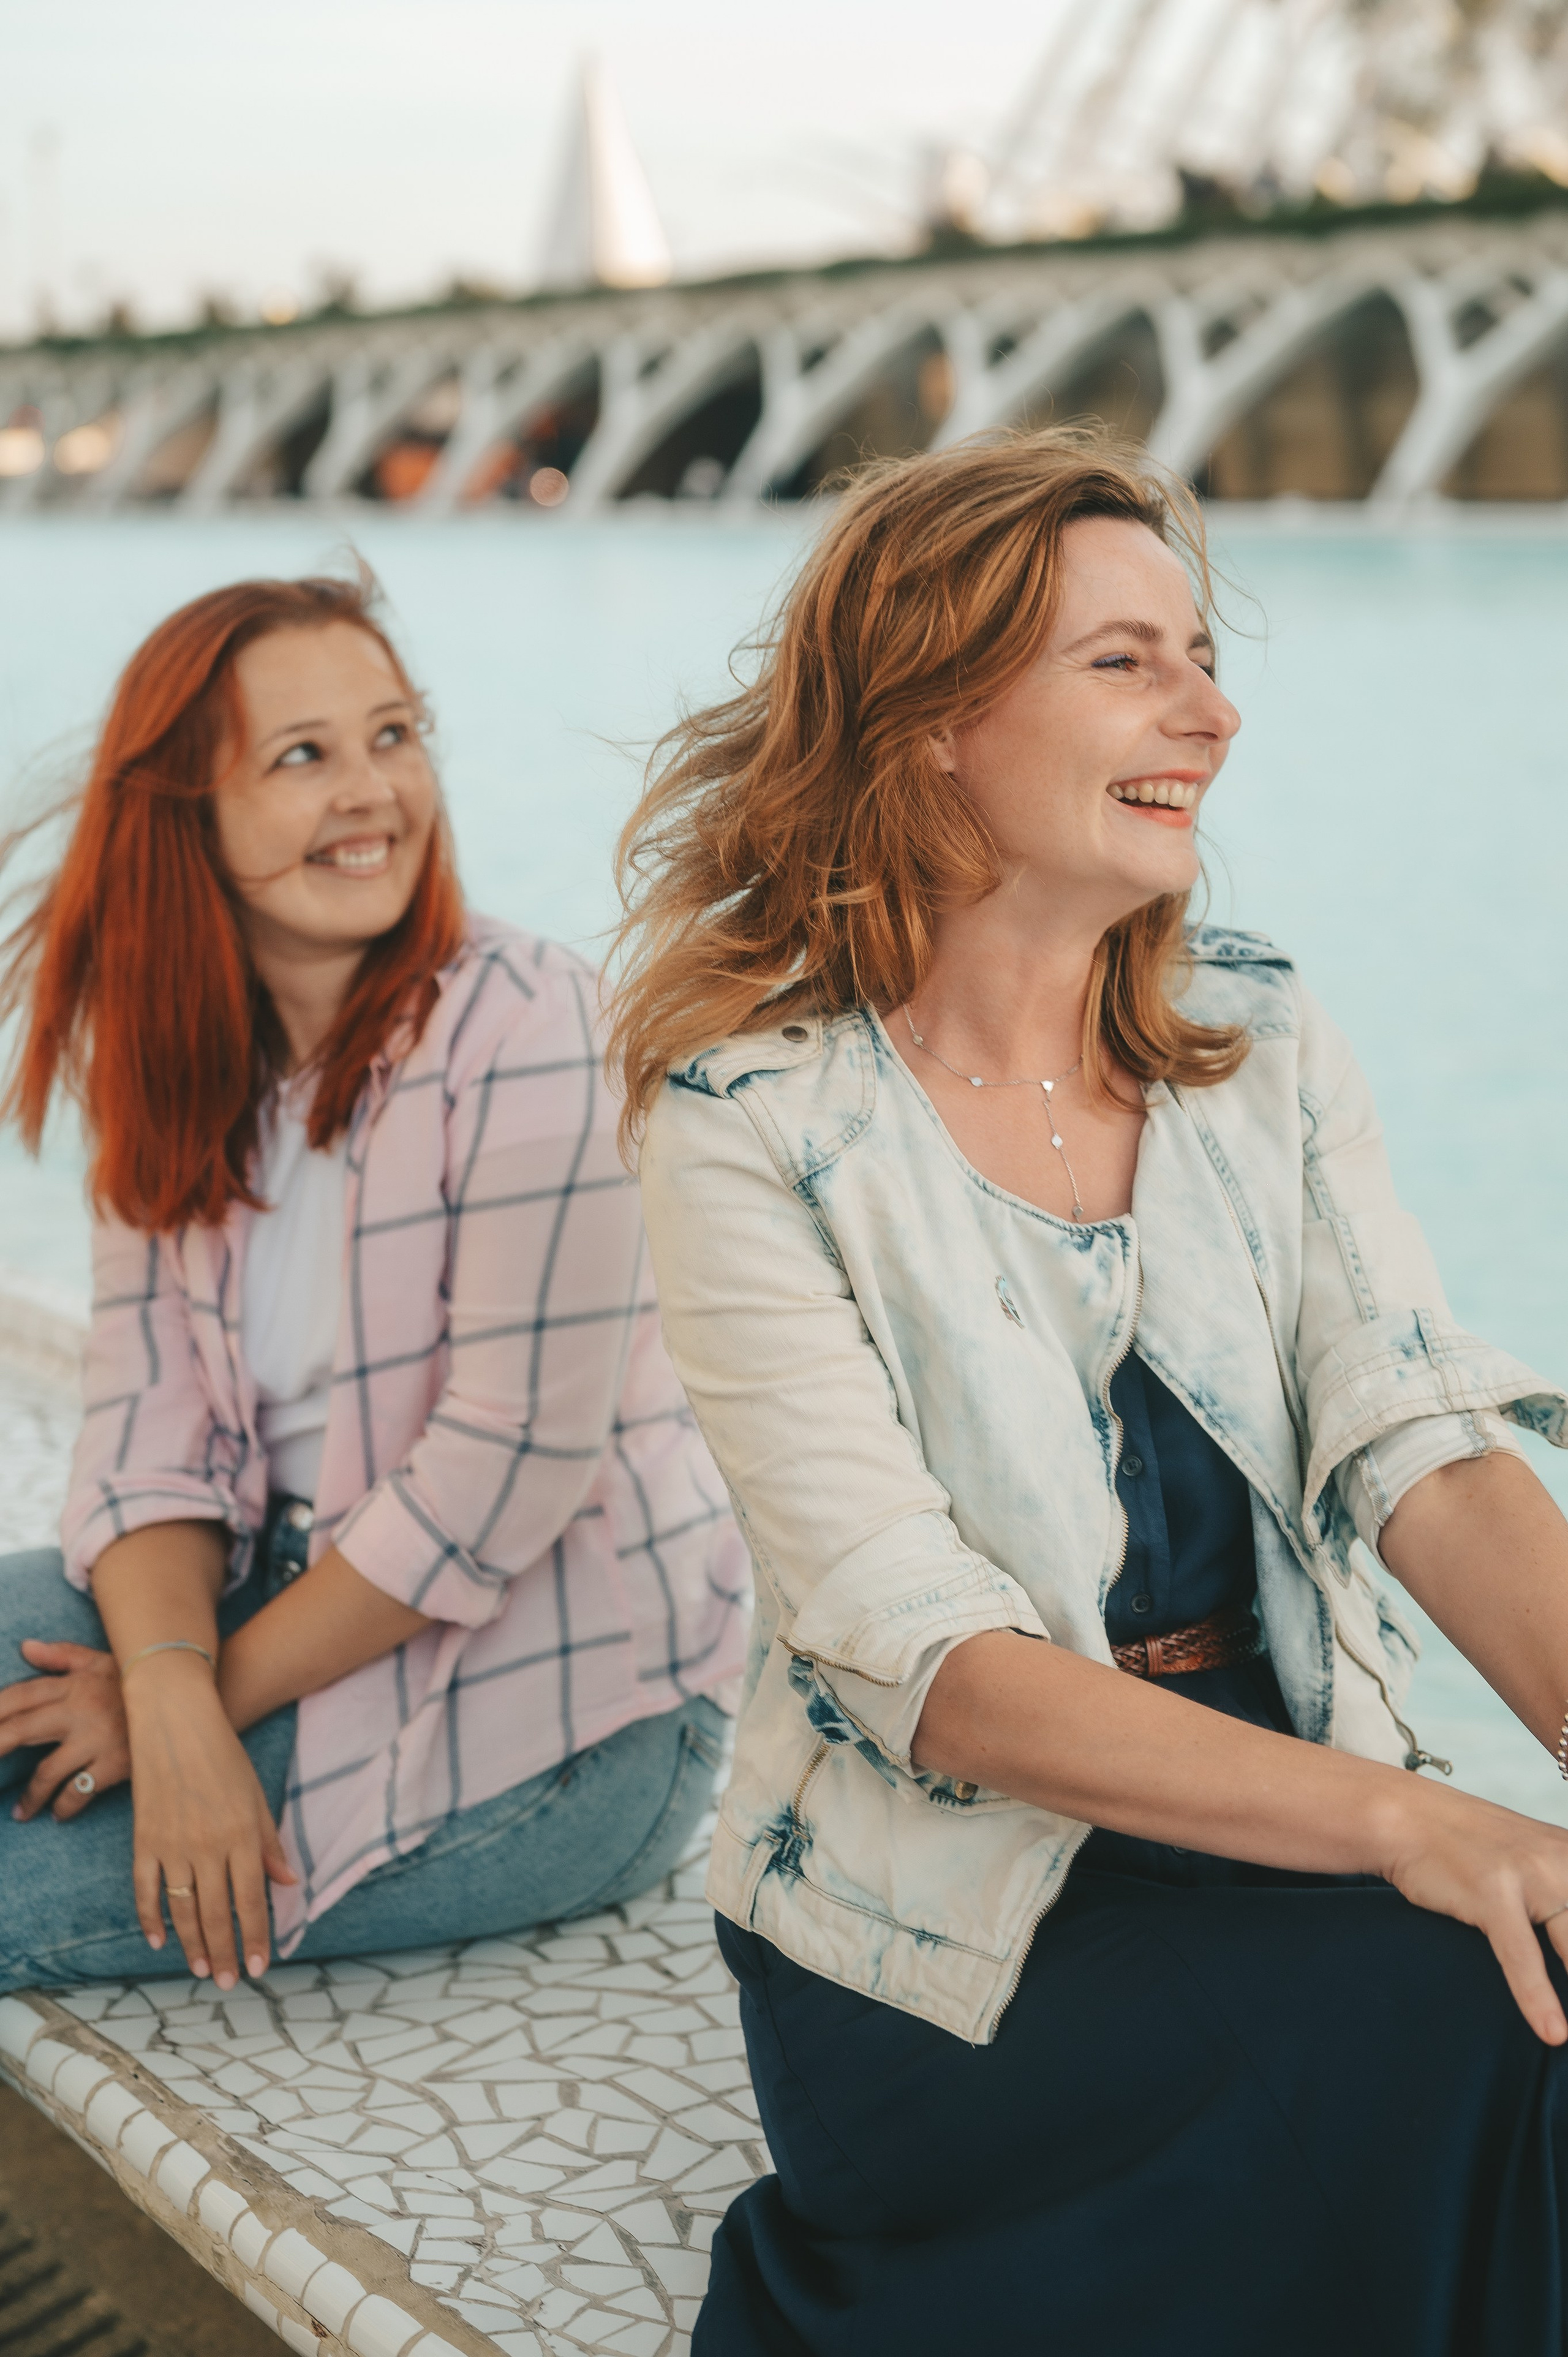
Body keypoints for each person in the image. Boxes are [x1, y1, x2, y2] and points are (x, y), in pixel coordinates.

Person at [607, 427, 1568, 2356]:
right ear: (935, 714)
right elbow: (928, 1663)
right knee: (1487, 2019)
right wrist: (1417, 1829)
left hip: (1273, 1798)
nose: (1208, 712)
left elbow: (1420, 1447)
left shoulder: (1262, 1039)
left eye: (1201, 654)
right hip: (952, 1930)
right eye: (1125, 660)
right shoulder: (748, 1126)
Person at [0, 572, 747, 1998]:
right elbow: (146, 1424)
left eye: (393, 735)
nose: (373, 791)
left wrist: (188, 1705)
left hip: (561, 1702)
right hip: (261, 1585)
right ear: (187, 816)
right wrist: (163, 1687)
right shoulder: (166, 1052)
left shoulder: (532, 1028)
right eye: (303, 755)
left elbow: (503, 1469)